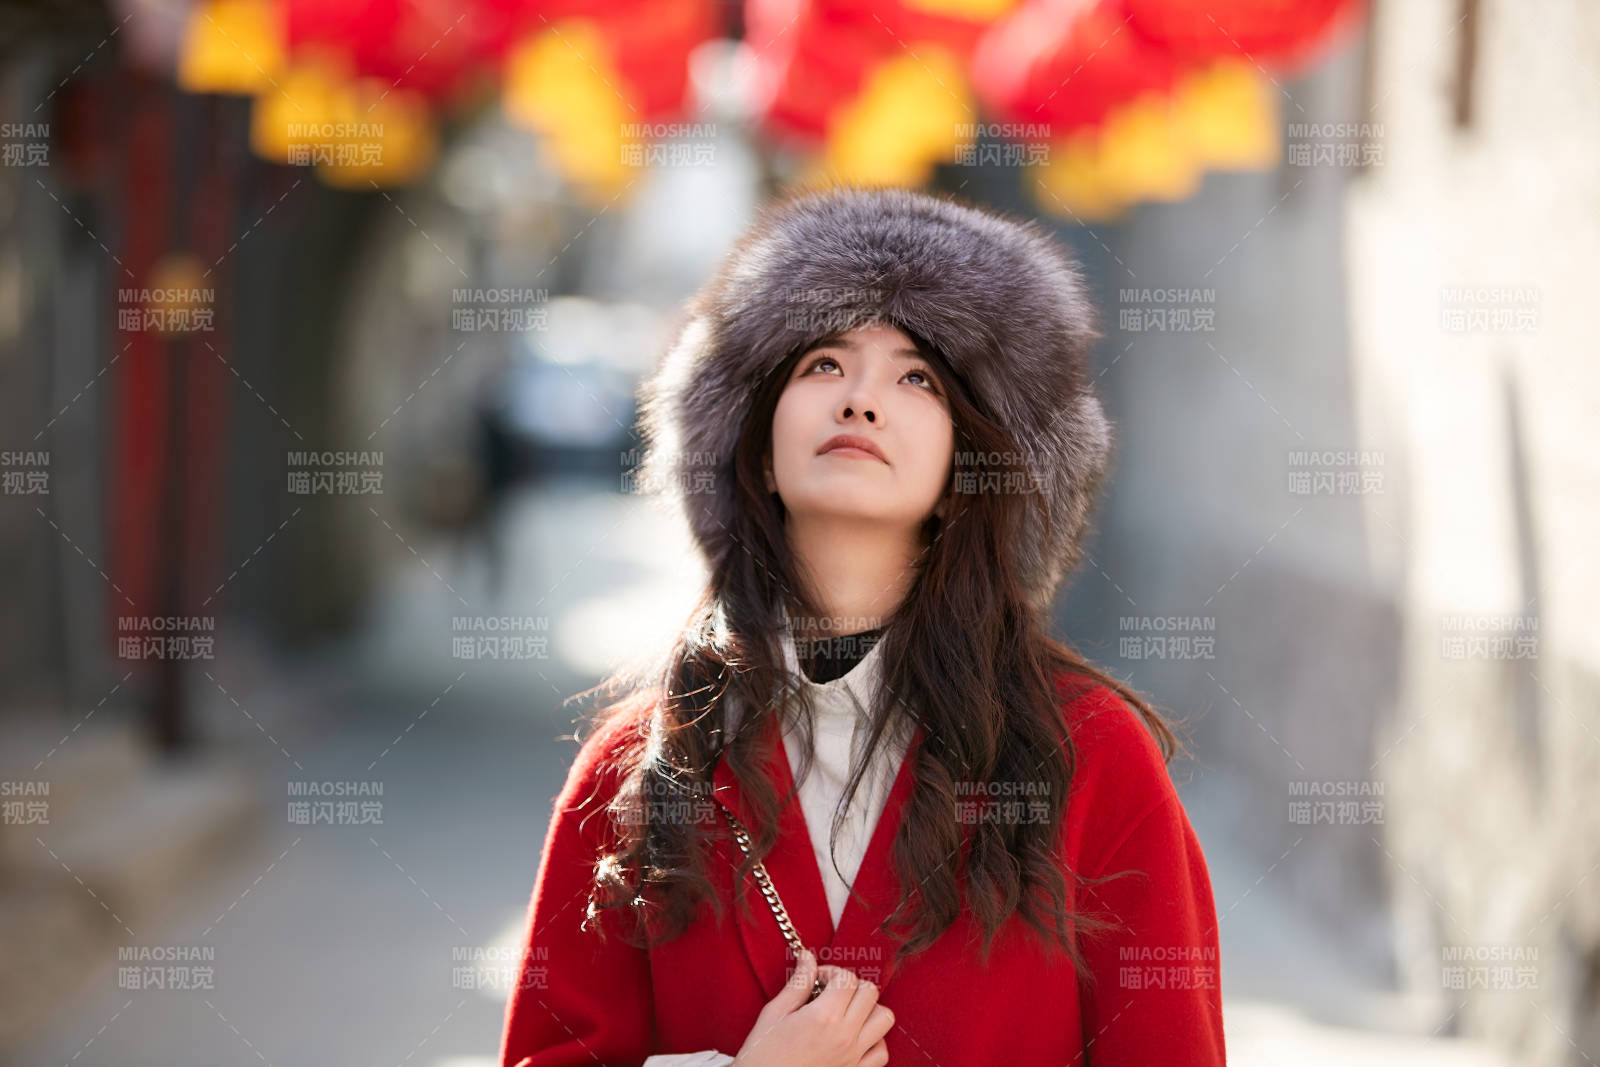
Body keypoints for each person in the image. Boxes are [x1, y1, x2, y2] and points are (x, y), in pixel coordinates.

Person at [498, 185, 1226, 1066]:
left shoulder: (1091, 758)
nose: (862, 399)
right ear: (757, 449)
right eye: (822, 365)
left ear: (971, 469)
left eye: (917, 376)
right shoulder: (640, 771)